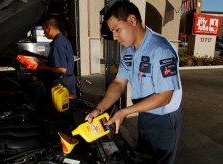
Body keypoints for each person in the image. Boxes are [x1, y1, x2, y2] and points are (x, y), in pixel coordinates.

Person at [85, 1, 182, 163]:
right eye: (112, 32)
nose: (115, 37)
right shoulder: (128, 50)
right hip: (144, 111)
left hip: (164, 117)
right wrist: (99, 108)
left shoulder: (160, 49)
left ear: (132, 20)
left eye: (117, 29)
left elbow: (165, 96)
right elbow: (118, 83)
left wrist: (124, 112)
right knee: (143, 157)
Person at [37, 17, 76, 98]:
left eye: (44, 30)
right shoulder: (63, 39)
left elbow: (61, 69)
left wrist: (43, 67)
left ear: (49, 28)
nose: (44, 33)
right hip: (68, 80)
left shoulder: (57, 44)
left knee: (62, 108)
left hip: (62, 83)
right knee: (69, 107)